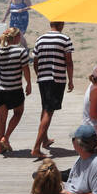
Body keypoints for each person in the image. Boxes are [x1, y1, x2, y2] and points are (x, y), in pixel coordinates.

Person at [31, 20, 74, 157]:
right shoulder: (65, 39)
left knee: (45, 108)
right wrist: (71, 80)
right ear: (61, 24)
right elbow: (69, 62)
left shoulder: (40, 39)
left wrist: (40, 74)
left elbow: (35, 62)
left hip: (42, 78)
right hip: (56, 78)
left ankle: (45, 140)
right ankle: (36, 147)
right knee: (49, 112)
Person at [0, 26, 32, 155]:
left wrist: (2, 36)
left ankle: (0, 147)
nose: (21, 38)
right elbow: (25, 69)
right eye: (19, 35)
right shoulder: (21, 51)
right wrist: (29, 84)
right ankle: (6, 137)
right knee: (18, 112)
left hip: (0, 90)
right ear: (15, 37)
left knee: (1, 118)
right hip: (14, 89)